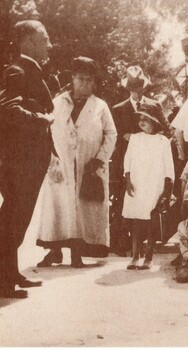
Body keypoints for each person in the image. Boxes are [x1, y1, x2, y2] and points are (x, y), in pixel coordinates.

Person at [34, 57, 117, 268]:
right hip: (59, 164)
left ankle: (77, 254)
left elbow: (111, 134)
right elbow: (46, 131)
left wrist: (99, 159)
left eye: (90, 80)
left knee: (82, 209)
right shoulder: (58, 102)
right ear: (72, 78)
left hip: (89, 166)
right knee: (58, 207)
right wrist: (51, 159)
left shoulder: (100, 106)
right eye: (81, 79)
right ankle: (54, 252)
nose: (86, 84)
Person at [0, 20, 54, 298]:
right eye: (44, 38)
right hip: (19, 162)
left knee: (16, 221)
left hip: (28, 161)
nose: (49, 44)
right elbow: (9, 110)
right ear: (29, 41)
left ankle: (10, 273)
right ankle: (3, 281)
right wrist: (41, 119)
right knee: (12, 221)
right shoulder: (17, 71)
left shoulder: (29, 70)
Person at [122, 102, 174, 270]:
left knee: (151, 220)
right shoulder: (135, 138)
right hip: (137, 184)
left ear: (155, 121)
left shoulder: (163, 141)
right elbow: (127, 161)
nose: (142, 122)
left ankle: (149, 256)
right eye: (140, 119)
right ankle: (135, 255)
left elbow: (169, 167)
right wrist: (128, 180)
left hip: (154, 185)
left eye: (146, 119)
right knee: (136, 221)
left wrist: (167, 190)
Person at [110, 65, 156, 256]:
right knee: (122, 199)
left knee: (146, 198)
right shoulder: (119, 109)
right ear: (128, 90)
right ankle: (121, 241)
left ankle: (143, 241)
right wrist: (125, 136)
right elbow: (113, 135)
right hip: (126, 162)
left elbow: (165, 130)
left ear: (144, 88)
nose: (136, 93)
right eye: (133, 89)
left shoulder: (154, 106)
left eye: (139, 88)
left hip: (147, 162)